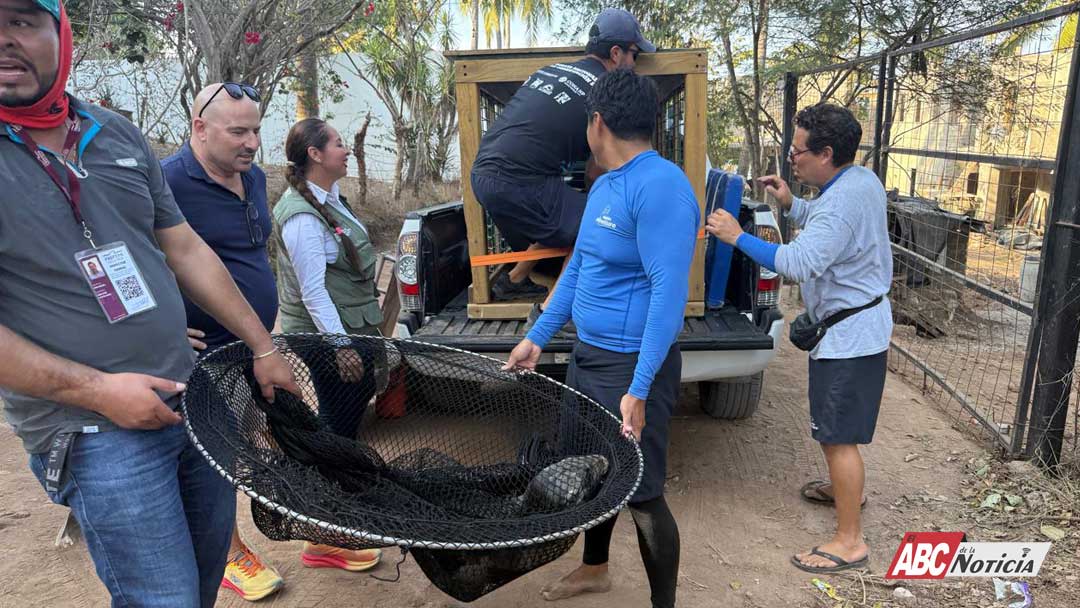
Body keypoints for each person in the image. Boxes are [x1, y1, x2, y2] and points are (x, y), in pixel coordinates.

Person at [0, 1, 301, 606]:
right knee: (163, 600)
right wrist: (97, 392)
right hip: (92, 428)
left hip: (192, 397)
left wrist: (262, 346)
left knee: (203, 583)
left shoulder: (114, 133)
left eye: (21, 20)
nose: (6, 40)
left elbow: (185, 248)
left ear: (60, 33)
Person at [503, 69, 697, 608]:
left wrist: (638, 389)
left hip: (634, 365)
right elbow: (580, 269)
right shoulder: (606, 184)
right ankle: (595, 570)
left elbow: (666, 296)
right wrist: (538, 337)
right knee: (591, 471)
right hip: (589, 357)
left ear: (597, 122)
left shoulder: (662, 187)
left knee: (642, 494)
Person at [705, 103, 893, 574]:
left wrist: (735, 237)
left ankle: (850, 540)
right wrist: (791, 203)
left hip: (849, 336)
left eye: (798, 150)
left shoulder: (844, 200)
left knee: (837, 437)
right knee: (840, 429)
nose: (792, 157)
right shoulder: (857, 181)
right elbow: (830, 222)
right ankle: (845, 489)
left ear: (827, 153)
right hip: (858, 327)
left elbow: (797, 263)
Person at [161, 82, 285, 601]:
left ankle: (309, 534)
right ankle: (232, 552)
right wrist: (161, 325)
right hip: (200, 357)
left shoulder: (251, 177)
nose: (252, 142)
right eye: (239, 131)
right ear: (199, 128)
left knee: (260, 440)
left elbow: (254, 253)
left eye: (256, 129)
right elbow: (126, 258)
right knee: (215, 453)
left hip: (251, 349)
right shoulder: (166, 181)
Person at [470, 8, 654, 322]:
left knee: (566, 215)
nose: (635, 64)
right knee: (598, 220)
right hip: (519, 180)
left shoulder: (550, 71)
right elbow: (597, 171)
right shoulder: (603, 92)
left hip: (484, 174)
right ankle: (552, 312)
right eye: (634, 55)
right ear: (615, 53)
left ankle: (513, 278)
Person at [271, 116, 384, 570]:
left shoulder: (328, 200)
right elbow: (313, 291)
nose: (346, 149)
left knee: (345, 423)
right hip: (328, 338)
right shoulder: (301, 216)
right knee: (337, 428)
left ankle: (337, 516)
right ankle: (323, 532)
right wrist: (341, 347)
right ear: (315, 155)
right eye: (338, 144)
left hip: (348, 329)